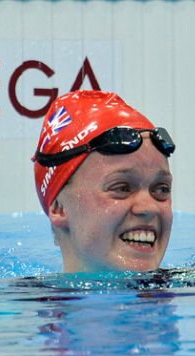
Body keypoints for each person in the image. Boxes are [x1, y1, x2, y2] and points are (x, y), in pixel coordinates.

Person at [32, 90, 176, 273]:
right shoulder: (9, 299)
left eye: (162, 189)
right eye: (122, 188)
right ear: (59, 208)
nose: (148, 208)